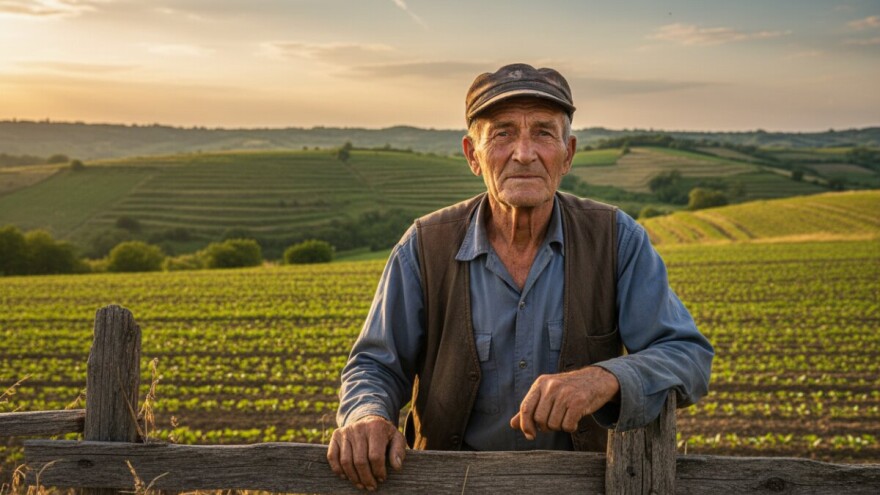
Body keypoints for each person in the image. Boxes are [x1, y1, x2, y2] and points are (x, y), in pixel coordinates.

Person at [327, 63, 713, 491]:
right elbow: (375, 363)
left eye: (544, 133)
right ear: (473, 155)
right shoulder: (424, 246)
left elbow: (687, 356)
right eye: (503, 133)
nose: (524, 153)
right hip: (450, 488)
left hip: (583, 488)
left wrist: (605, 378)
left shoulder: (616, 239)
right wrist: (368, 415)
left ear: (568, 154)